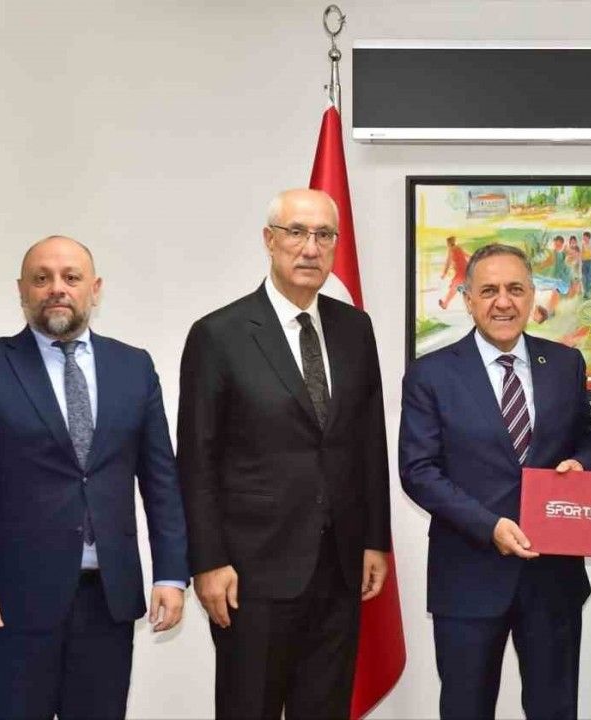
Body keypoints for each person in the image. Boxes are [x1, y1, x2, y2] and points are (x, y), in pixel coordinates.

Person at [0, 235, 188, 718]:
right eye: (41, 278)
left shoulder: (134, 367)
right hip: (10, 602)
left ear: (95, 289)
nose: (56, 288)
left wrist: (172, 573)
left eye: (71, 277)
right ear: (21, 290)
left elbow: (161, 480)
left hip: (108, 599)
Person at [177, 189, 391, 719]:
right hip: (251, 573)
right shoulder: (218, 335)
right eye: (296, 233)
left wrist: (374, 539)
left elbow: (368, 441)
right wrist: (208, 561)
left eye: (324, 235)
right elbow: (197, 461)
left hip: (339, 566)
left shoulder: (355, 329)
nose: (310, 248)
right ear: (269, 240)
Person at [399, 243, 591, 719]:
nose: (504, 302)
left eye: (515, 289)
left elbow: (589, 436)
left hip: (552, 579)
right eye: (489, 291)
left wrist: (581, 465)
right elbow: (418, 470)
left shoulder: (565, 364)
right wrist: (488, 525)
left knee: (555, 710)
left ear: (532, 296)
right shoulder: (431, 374)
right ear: (467, 299)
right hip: (468, 575)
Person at [438, 235, 470, 310]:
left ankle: (445, 304)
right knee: (461, 289)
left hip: (460, 273)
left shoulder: (451, 250)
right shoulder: (459, 248)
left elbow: (448, 263)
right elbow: (467, 255)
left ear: (448, 243)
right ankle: (445, 304)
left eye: (447, 243)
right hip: (465, 271)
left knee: (455, 289)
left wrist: (444, 274)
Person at [580, 231, 591, 299]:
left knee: (589, 277)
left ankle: (589, 291)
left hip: (590, 261)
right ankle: (585, 292)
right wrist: (581, 260)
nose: (584, 238)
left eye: (585, 237)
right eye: (583, 237)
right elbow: (581, 252)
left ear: (588, 237)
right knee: (584, 277)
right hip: (584, 262)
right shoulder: (582, 244)